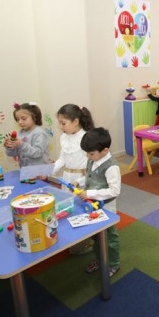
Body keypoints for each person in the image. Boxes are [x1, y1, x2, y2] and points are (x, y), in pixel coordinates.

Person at [52, 104, 95, 255]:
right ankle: (74, 239)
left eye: (63, 123)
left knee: (83, 209)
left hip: (81, 178)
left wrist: (82, 179)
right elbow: (62, 159)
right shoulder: (64, 137)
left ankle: (86, 240)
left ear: (76, 121)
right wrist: (49, 171)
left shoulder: (87, 137)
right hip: (67, 177)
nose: (60, 127)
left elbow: (92, 164)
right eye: (59, 123)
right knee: (68, 209)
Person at [79, 128, 121, 277]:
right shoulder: (93, 159)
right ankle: (100, 259)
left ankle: (114, 264)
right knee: (97, 236)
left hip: (107, 208)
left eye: (91, 153)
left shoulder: (111, 167)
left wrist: (89, 193)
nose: (87, 156)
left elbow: (115, 191)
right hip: (93, 206)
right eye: (87, 153)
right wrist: (79, 182)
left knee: (109, 238)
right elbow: (91, 177)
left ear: (105, 151)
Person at [4, 102, 50, 167]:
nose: (20, 122)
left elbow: (37, 153)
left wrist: (21, 144)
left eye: (24, 118)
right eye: (18, 119)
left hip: (40, 171)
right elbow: (13, 153)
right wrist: (9, 146)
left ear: (34, 116)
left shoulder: (40, 133)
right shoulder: (21, 133)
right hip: (25, 171)